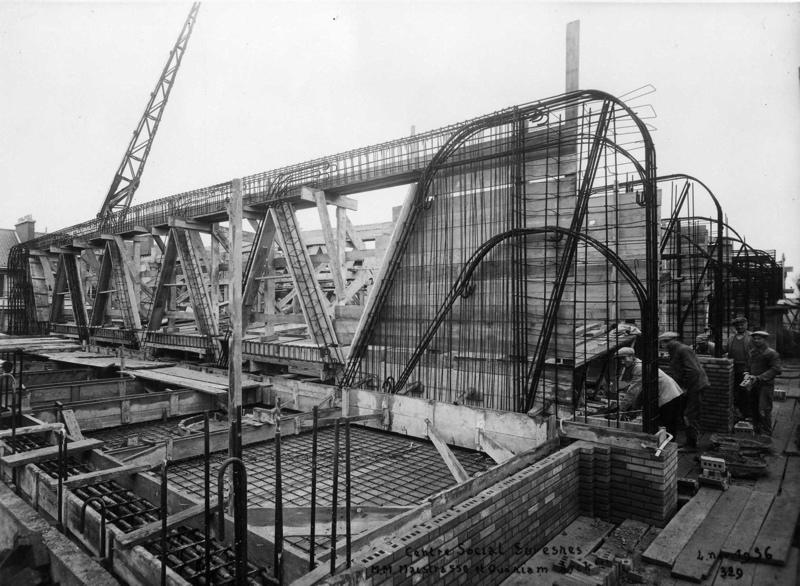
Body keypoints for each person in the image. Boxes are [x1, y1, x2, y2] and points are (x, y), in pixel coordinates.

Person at [616, 346, 684, 437]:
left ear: (632, 356)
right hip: (669, 394)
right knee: (666, 425)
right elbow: (640, 389)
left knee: (668, 425)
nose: (622, 362)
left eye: (624, 358)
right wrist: (634, 406)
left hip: (669, 396)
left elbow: (633, 391)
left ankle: (667, 447)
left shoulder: (639, 368)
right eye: (620, 359)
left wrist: (622, 408)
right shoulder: (638, 366)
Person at [659, 331, 710, 449]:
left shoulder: (682, 350)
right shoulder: (675, 350)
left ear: (671, 341)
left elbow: (693, 371)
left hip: (695, 386)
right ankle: (690, 441)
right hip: (692, 386)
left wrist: (685, 387)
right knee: (687, 414)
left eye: (664, 342)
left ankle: (692, 444)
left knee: (689, 415)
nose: (663, 345)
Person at [743, 330, 782, 435]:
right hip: (753, 385)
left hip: (765, 386)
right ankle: (757, 431)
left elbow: (776, 369)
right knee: (754, 409)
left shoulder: (771, 353)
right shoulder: (752, 352)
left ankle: (766, 434)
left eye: (759, 338)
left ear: (765, 340)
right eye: (754, 338)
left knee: (764, 409)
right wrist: (746, 373)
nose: (756, 340)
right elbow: (748, 365)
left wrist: (759, 377)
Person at [724, 316, 753, 418]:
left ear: (746, 324)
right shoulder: (731, 338)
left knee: (746, 391)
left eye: (742, 324)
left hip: (746, 369)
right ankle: (738, 412)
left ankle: (747, 413)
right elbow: (726, 350)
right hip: (733, 368)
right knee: (735, 390)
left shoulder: (751, 337)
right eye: (738, 325)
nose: (740, 327)